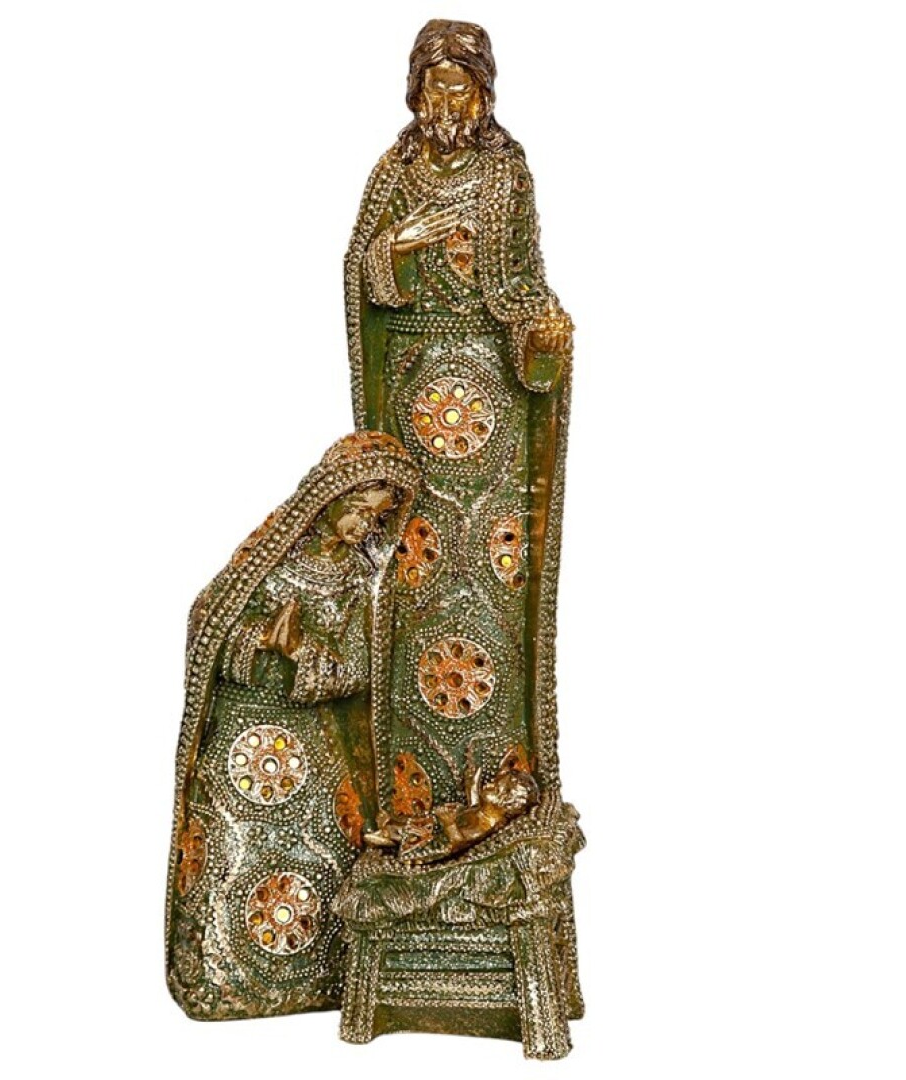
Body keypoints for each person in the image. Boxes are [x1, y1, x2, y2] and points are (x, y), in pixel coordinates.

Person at [344, 20, 575, 809]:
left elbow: (523, 285)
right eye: (436, 87)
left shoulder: (505, 174)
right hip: (413, 391)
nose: (448, 102)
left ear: (484, 94)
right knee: (413, 575)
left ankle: (503, 790)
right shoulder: (396, 172)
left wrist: (544, 332)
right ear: (416, 94)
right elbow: (360, 272)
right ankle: (415, 800)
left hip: (489, 401)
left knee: (494, 578)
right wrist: (397, 248)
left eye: (462, 87)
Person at [165, 433, 419, 1020]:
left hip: (317, 737)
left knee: (332, 845)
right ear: (327, 497)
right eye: (358, 509)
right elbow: (206, 621)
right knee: (229, 847)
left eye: (376, 517)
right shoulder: (268, 560)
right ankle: (218, 978)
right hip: (243, 733)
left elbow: (360, 668)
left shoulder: (356, 578)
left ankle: (326, 978)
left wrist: (306, 651)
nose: (363, 525)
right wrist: (261, 639)